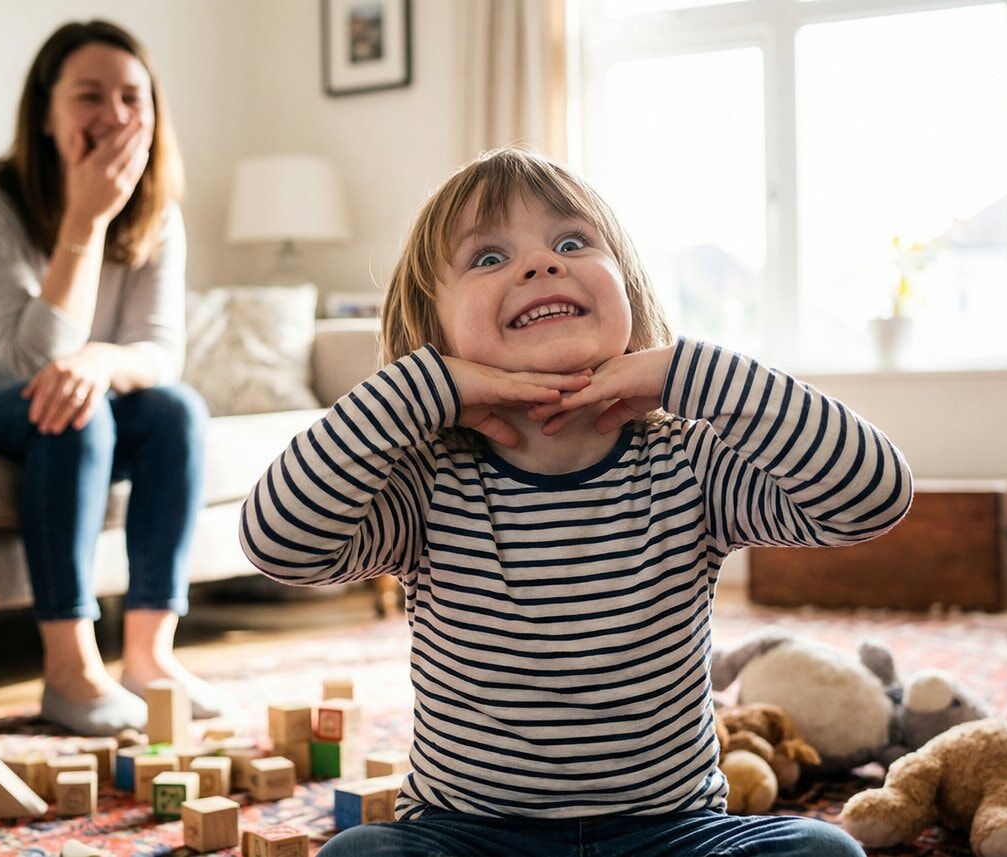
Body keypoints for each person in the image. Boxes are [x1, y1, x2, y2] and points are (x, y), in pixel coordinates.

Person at [239, 147, 913, 856]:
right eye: (489, 257)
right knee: (360, 854)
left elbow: (873, 496)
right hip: (467, 836)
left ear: (629, 291)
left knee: (822, 850)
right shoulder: (425, 479)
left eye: (570, 243)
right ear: (435, 337)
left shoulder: (689, 460)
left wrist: (694, 372)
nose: (540, 264)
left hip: (672, 833)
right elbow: (278, 543)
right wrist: (420, 391)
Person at [0, 20, 224, 736]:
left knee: (176, 411)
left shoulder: (159, 216)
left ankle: (148, 656)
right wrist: (85, 218)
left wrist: (100, 361)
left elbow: (160, 351)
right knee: (74, 404)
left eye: (133, 97)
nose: (115, 115)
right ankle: (70, 670)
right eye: (89, 95)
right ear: (45, 113)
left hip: (61, 396)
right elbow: (30, 356)